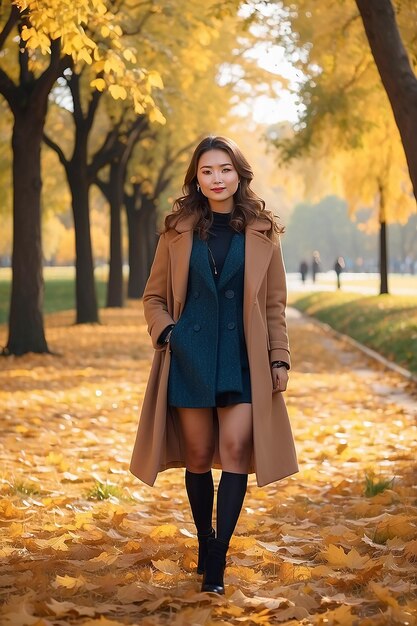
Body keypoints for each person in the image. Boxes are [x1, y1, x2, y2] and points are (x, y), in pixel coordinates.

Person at [130, 135, 298, 595]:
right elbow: (153, 297)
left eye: (224, 169)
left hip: (245, 360)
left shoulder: (263, 231)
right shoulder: (176, 231)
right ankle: (204, 539)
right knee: (201, 457)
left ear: (239, 174)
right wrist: (168, 333)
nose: (217, 179)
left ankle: (219, 558)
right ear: (197, 179)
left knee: (238, 451)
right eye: (207, 171)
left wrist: (279, 356)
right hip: (191, 358)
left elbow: (275, 305)